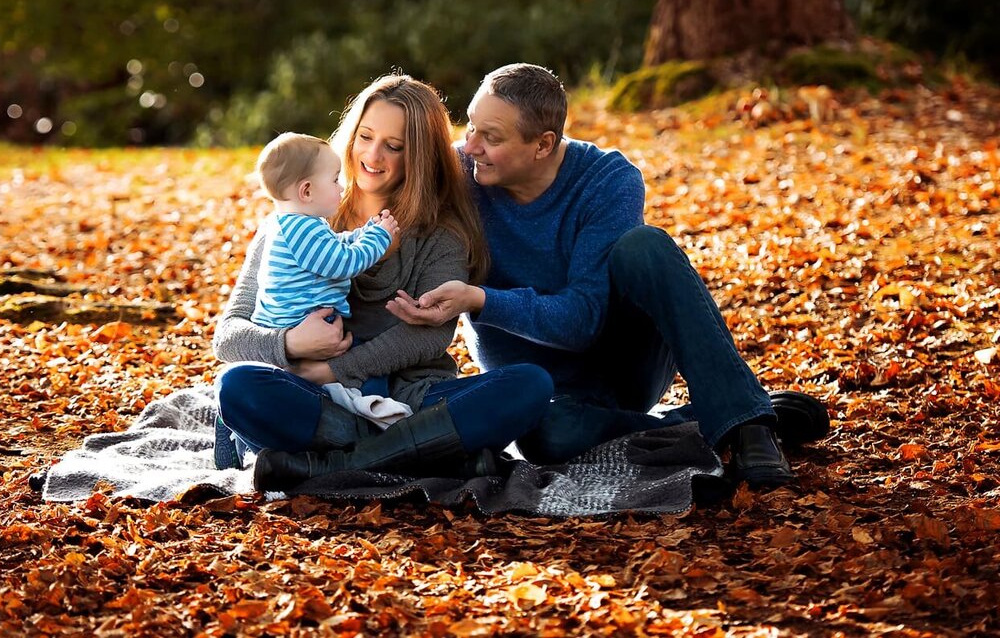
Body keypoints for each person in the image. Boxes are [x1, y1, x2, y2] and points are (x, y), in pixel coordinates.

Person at [387, 63, 829, 489]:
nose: (471, 145)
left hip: (623, 363)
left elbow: (582, 320)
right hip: (540, 392)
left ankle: (751, 429)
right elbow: (374, 201)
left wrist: (481, 300)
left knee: (645, 246)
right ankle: (717, 415)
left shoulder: (606, 180)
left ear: (542, 144)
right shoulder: (460, 172)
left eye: (492, 137)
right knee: (548, 438)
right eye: (471, 127)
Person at [212, 74, 554, 491]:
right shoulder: (295, 218)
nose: (372, 156)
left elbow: (426, 339)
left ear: (420, 158)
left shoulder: (441, 236)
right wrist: (291, 345)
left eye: (394, 146)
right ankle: (429, 459)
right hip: (315, 400)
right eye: (366, 137)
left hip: (411, 399)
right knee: (239, 386)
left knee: (529, 385)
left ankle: (332, 466)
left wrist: (335, 369)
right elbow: (228, 335)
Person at [249, 131, 399, 329]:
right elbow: (346, 263)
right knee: (381, 331)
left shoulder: (292, 225)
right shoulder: (301, 230)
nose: (341, 188)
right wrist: (380, 236)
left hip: (295, 324)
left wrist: (364, 232)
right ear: (307, 191)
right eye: (335, 180)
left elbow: (333, 245)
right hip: (297, 326)